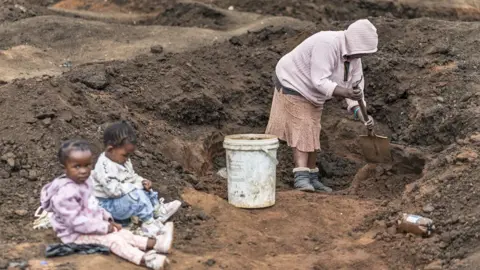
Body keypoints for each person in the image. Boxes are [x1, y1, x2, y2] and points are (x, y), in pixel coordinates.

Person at [266, 19, 377, 192]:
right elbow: (319, 80)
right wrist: (345, 92)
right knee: (303, 126)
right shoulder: (327, 44)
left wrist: (361, 114)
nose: (361, 57)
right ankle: (301, 177)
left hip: (314, 94)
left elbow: (356, 88)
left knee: (313, 129)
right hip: (293, 82)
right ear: (354, 44)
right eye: (361, 52)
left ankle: (312, 176)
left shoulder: (355, 58)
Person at [40, 139, 172, 270]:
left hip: (92, 225)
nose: (83, 171)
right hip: (75, 235)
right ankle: (145, 260)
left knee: (122, 233)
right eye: (77, 166)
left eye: (87, 165)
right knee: (114, 240)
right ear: (65, 167)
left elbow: (94, 206)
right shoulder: (65, 193)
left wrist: (109, 220)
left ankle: (156, 244)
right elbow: (76, 222)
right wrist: (103, 227)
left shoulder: (84, 183)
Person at [93, 121, 182, 236]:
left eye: (129, 155)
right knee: (135, 195)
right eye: (125, 155)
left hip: (120, 199)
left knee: (143, 188)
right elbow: (113, 191)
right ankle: (149, 224)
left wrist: (141, 182)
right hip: (108, 205)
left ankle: (157, 210)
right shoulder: (104, 168)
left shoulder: (122, 160)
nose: (127, 159)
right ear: (110, 149)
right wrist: (135, 187)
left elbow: (132, 176)